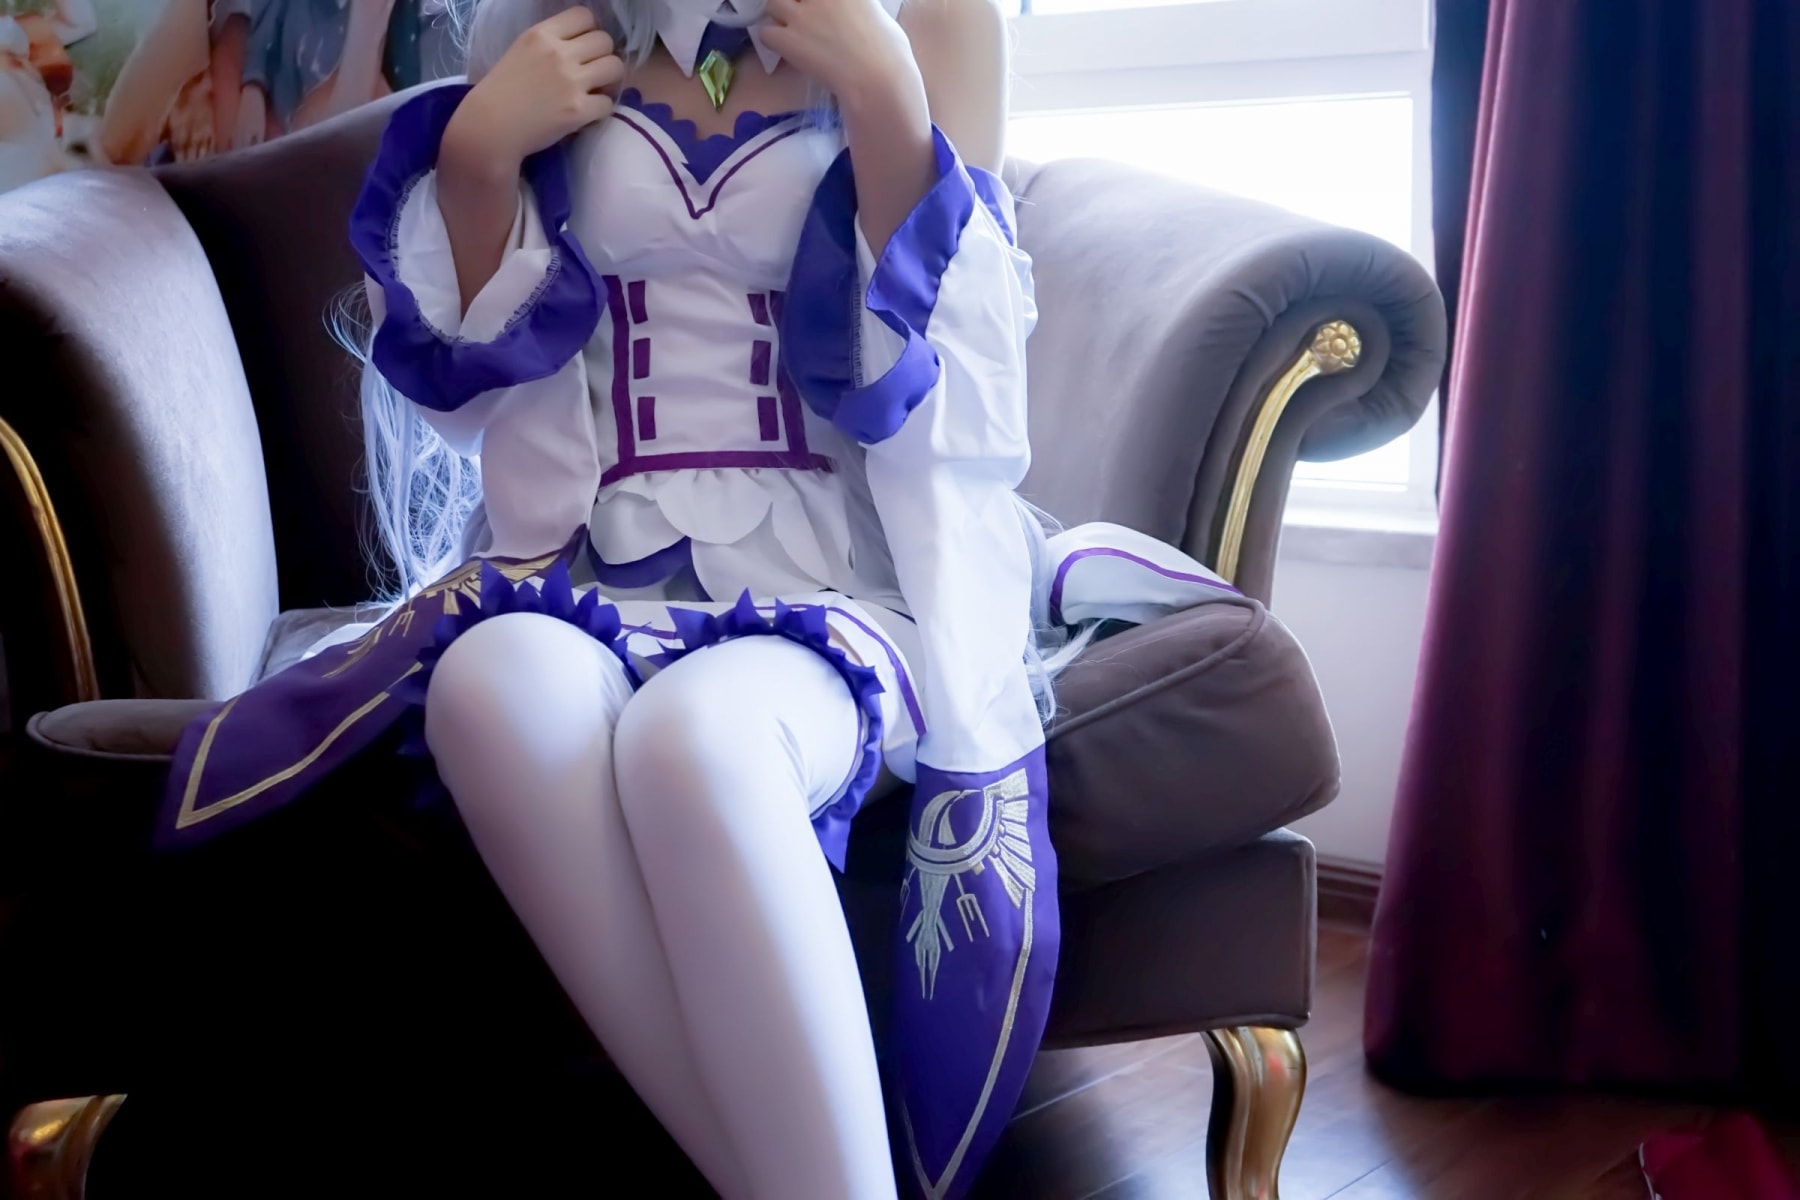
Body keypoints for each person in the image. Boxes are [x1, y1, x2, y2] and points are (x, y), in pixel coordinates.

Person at [145, 1, 1244, 1195]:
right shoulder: (552, 20)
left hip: (840, 571)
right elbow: (463, 409)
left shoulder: (934, 22)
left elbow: (964, 406)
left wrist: (885, 101)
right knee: (488, 690)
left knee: (701, 742)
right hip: (583, 564)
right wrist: (476, 159)